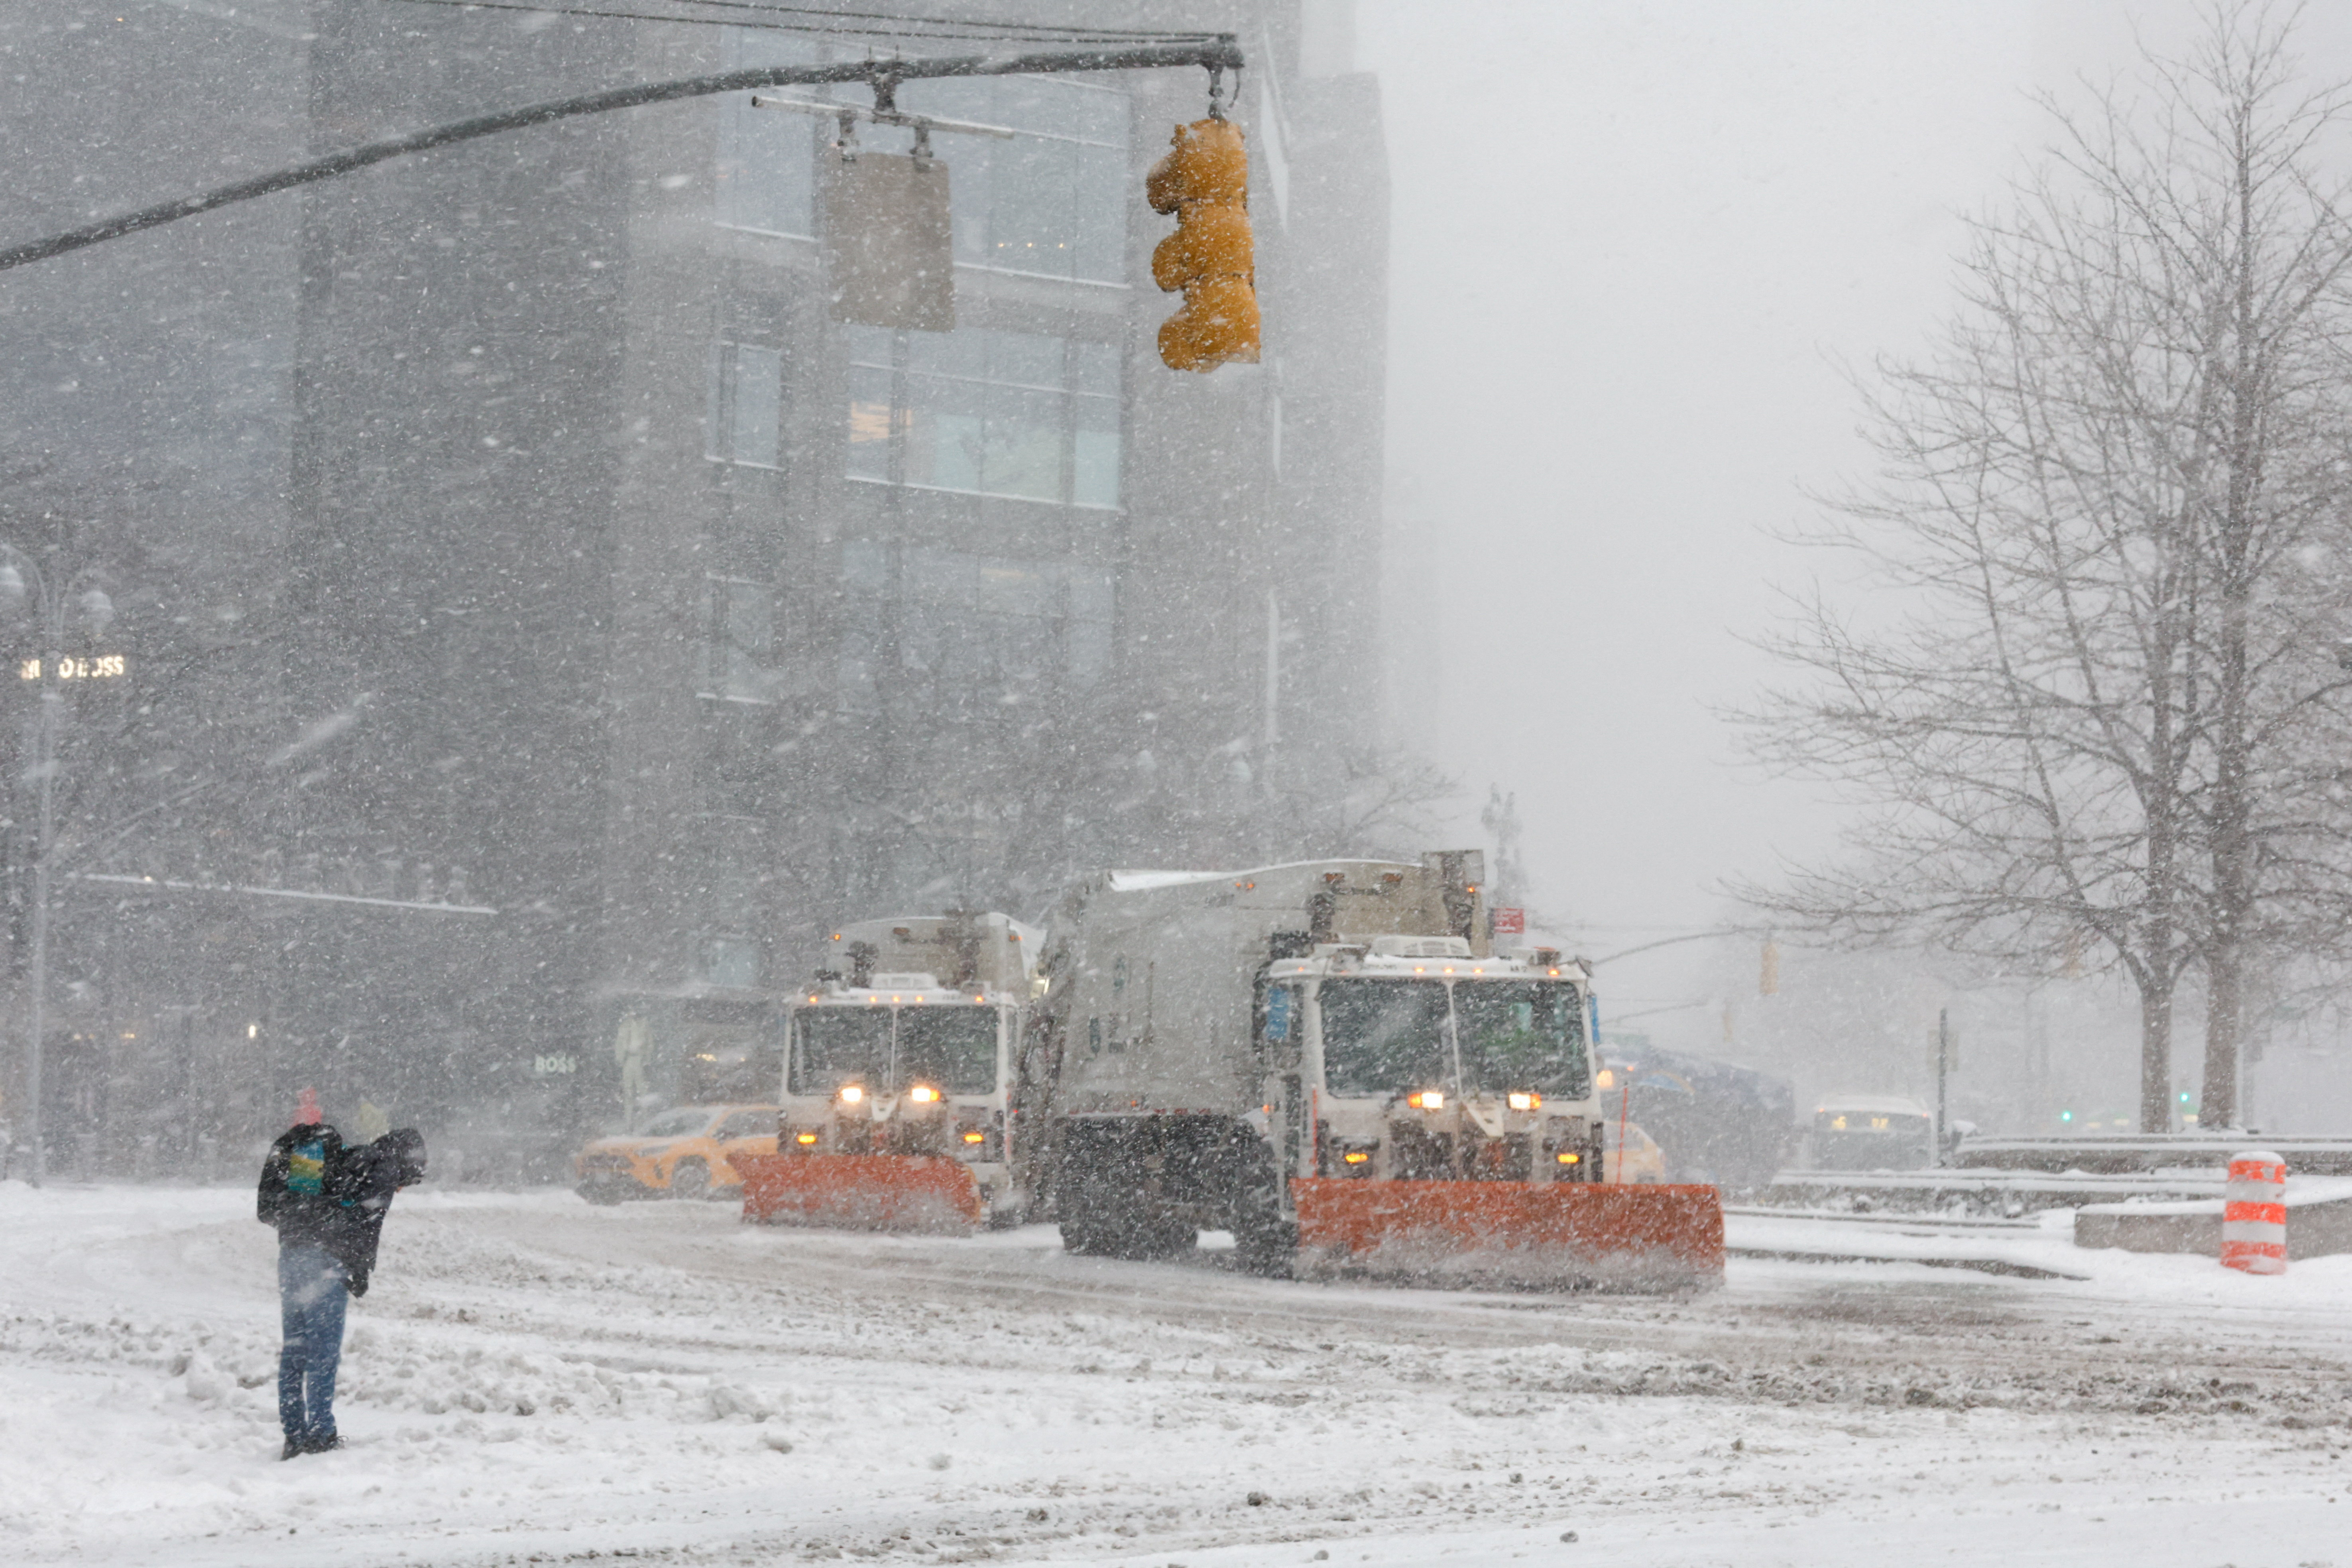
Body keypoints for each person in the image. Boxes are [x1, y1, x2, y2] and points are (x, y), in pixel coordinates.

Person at [256, 1091, 428, 1460]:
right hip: (324, 1263)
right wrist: (361, 1271)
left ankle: (294, 1434)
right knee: (324, 1352)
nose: (400, 1189)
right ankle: (320, 1434)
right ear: (409, 1164)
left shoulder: (351, 1155)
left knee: (296, 1348)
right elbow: (369, 1225)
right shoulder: (382, 1167)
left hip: (292, 1255)